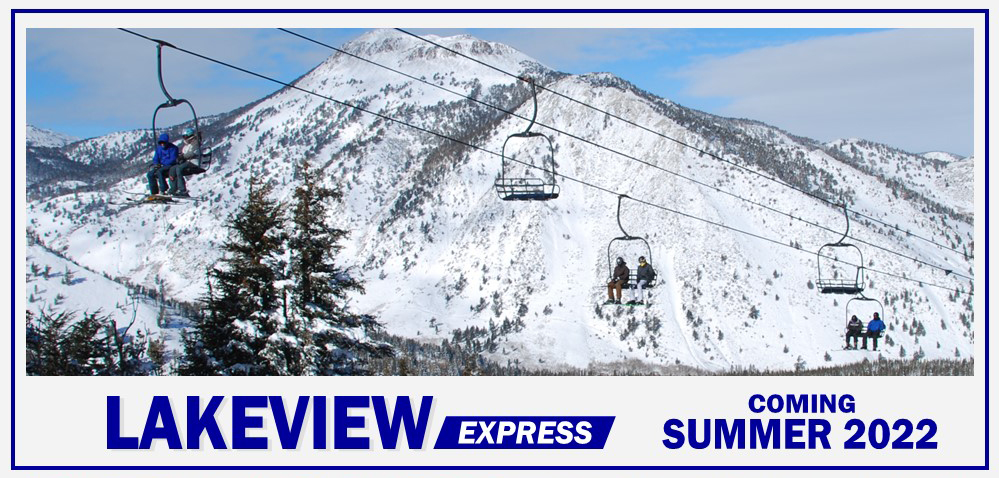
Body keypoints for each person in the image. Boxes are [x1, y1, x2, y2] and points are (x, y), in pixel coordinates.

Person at [168, 128, 202, 197]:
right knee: (172, 169)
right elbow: (185, 153)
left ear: (189, 136)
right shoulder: (187, 144)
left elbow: (192, 153)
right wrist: (180, 156)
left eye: (185, 136)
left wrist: (183, 156)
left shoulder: (195, 143)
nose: (184, 138)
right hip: (187, 161)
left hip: (194, 162)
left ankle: (182, 190)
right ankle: (173, 189)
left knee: (179, 169)